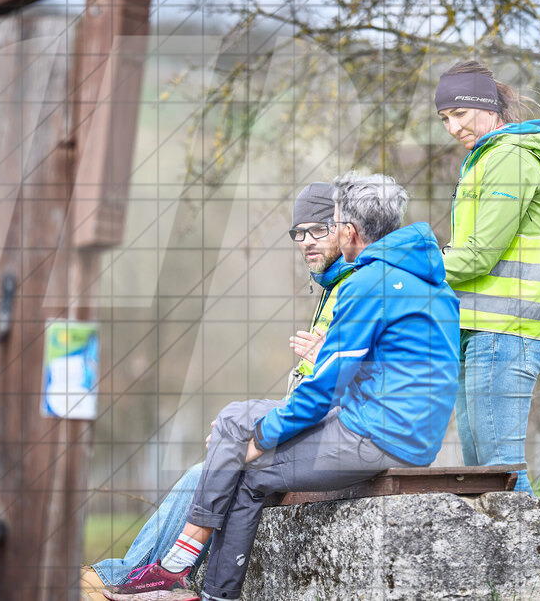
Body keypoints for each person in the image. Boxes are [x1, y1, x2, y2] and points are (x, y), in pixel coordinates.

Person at [101, 172, 460, 601]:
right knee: (237, 425)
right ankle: (189, 577)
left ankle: (181, 572)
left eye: (330, 223)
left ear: (348, 230)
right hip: (405, 431)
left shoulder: (369, 284)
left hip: (376, 435)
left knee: (247, 465)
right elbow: (396, 369)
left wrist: (261, 439)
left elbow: (322, 392)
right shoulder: (424, 279)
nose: (313, 238)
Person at [80, 182, 354, 596]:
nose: (306, 243)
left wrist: (253, 436)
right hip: (312, 431)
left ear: (346, 228)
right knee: (216, 457)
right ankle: (143, 577)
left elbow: (352, 388)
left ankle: (127, 577)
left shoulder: (360, 288)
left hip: (339, 443)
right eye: (298, 233)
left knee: (207, 472)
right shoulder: (334, 288)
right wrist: (244, 432)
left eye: (318, 230)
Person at [434, 60, 540, 496]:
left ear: (488, 108)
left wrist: (409, 269)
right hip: (479, 327)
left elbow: (477, 257)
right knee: (483, 475)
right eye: (445, 118)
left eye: (460, 114)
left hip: (508, 329)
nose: (452, 128)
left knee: (499, 471)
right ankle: (501, 564)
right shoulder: (484, 159)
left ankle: (532, 563)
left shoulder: (509, 158)